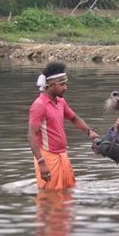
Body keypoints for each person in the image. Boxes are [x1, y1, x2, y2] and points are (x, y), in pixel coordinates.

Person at [28, 62, 99, 190]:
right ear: (50, 86)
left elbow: (74, 118)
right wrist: (41, 163)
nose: (65, 88)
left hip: (63, 155)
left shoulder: (60, 101)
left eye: (65, 84)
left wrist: (89, 132)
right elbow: (31, 136)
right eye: (62, 84)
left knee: (67, 192)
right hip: (47, 159)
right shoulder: (39, 106)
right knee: (50, 196)